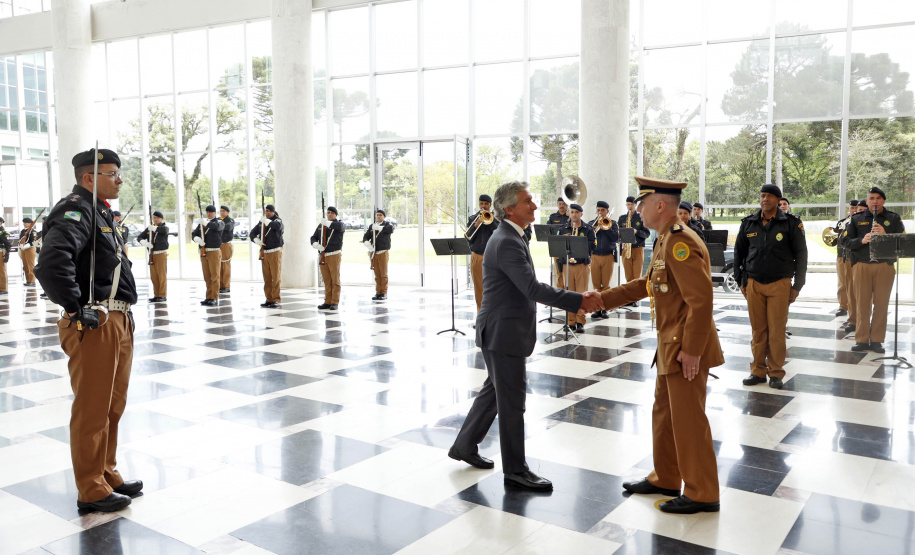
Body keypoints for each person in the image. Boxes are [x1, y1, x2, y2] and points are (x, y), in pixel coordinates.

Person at [448, 180, 603, 491]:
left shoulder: (512, 235)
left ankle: (464, 446)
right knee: (512, 401)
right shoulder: (505, 240)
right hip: (503, 333)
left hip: (500, 329)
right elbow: (532, 288)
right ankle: (516, 470)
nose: (534, 206)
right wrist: (578, 299)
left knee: (495, 391)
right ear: (510, 209)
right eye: (528, 202)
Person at [597, 176, 723, 514]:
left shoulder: (680, 243)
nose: (637, 211)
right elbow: (645, 284)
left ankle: (702, 492)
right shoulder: (664, 240)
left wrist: (693, 350)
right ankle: (666, 476)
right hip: (670, 344)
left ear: (660, 205)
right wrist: (600, 300)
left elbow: (701, 300)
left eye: (641, 204)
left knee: (688, 420)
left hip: (685, 347)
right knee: (665, 415)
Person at [34, 147, 141, 513]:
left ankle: (106, 471)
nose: (119, 179)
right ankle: (90, 488)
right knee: (92, 409)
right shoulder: (75, 210)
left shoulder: (99, 213)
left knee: (113, 405)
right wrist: (76, 308)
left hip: (118, 319)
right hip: (96, 323)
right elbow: (50, 263)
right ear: (89, 178)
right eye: (112, 173)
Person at [734, 184, 808, 389]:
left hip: (780, 284)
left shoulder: (791, 223)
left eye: (769, 196)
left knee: (776, 332)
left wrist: (797, 285)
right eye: (762, 196)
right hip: (754, 283)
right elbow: (739, 253)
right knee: (758, 331)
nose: (764, 199)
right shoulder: (749, 223)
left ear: (778, 199)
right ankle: (757, 371)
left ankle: (776, 373)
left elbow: (802, 255)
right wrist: (741, 280)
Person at [844, 187, 905, 353]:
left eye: (878, 198)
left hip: (884, 266)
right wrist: (862, 240)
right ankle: (861, 339)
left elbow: (903, 241)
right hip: (862, 265)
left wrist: (885, 235)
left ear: (883, 200)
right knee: (862, 304)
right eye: (871, 198)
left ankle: (877, 340)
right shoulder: (857, 219)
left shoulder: (893, 218)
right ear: (867, 200)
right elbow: (845, 241)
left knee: (881, 304)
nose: (875, 201)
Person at [559, 203, 595, 332]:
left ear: (581, 214)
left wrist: (579, 244)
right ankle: (570, 322)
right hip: (567, 265)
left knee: (581, 294)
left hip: (581, 265)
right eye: (572, 212)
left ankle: (580, 321)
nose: (574, 214)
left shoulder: (588, 229)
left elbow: (593, 246)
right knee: (569, 294)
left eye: (576, 212)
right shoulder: (563, 229)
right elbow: (558, 246)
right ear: (569, 213)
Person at [466, 194, 499, 311]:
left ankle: (492, 316)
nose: (483, 206)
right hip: (477, 256)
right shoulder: (472, 218)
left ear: (490, 205)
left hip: (492, 258)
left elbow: (498, 233)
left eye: (486, 204)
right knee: (479, 287)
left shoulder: (495, 219)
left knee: (493, 287)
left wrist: (489, 221)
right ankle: (481, 316)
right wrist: (477, 224)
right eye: (481, 204)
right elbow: (468, 237)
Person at [618, 196, 651, 308]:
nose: (630, 206)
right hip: (626, 248)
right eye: (628, 204)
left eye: (632, 204)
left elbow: (647, 233)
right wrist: (621, 240)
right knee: (628, 275)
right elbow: (619, 233)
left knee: (637, 275)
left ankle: (635, 298)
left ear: (635, 205)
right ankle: (629, 298)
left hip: (637, 248)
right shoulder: (622, 218)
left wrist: (636, 231)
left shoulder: (641, 217)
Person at [588, 200, 619, 319]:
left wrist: (607, 228)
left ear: (607, 211)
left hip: (608, 256)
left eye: (602, 210)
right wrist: (596, 228)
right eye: (598, 210)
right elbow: (589, 239)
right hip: (595, 256)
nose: (600, 212)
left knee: (606, 285)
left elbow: (615, 239)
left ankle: (605, 309)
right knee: (596, 285)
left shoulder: (613, 223)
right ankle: (597, 309)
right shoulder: (591, 223)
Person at [250, 204, 285, 308]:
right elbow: (252, 233)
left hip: (275, 251)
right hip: (265, 251)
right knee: (267, 277)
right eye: (266, 210)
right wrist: (256, 240)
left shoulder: (277, 220)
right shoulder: (262, 221)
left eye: (269, 211)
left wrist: (267, 222)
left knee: (276, 276)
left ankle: (276, 299)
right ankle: (269, 299)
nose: (267, 212)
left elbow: (278, 227)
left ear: (273, 212)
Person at [310, 205, 344, 310]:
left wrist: (327, 223)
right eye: (328, 212)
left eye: (332, 213)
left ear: (336, 215)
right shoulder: (322, 225)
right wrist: (315, 244)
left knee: (335, 279)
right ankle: (327, 301)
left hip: (334, 254)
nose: (329, 214)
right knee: (327, 280)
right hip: (323, 255)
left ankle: (335, 302)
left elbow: (340, 228)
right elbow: (313, 237)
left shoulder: (339, 224)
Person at [191, 205, 225, 307]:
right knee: (207, 276)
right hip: (204, 251)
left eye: (211, 212)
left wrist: (206, 223)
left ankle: (214, 297)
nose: (209, 213)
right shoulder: (202, 224)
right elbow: (194, 234)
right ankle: (208, 296)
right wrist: (197, 239)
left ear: (215, 213)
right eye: (207, 212)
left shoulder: (219, 222)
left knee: (215, 275)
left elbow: (217, 227)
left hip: (214, 251)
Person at [842, 200, 867, 334]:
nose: (859, 212)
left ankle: (864, 321)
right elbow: (843, 239)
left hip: (865, 261)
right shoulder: (851, 222)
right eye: (858, 210)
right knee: (851, 292)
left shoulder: (871, 223)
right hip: (850, 259)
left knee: (864, 294)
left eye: (863, 210)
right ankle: (853, 320)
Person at [138, 211, 169, 303]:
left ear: (161, 219)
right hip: (152, 254)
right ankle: (157, 295)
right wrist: (145, 243)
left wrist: (154, 228)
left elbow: (164, 231)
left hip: (161, 254)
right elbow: (139, 237)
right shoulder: (150, 228)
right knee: (154, 276)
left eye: (157, 218)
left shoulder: (164, 227)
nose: (155, 219)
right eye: (154, 217)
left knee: (161, 276)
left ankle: (162, 295)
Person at [363, 208, 394, 301]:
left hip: (382, 252)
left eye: (380, 215)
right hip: (374, 252)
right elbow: (366, 236)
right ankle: (378, 292)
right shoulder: (372, 226)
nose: (378, 216)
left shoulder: (387, 225)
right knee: (377, 274)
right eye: (377, 215)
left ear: (384, 216)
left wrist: (380, 228)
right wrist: (366, 243)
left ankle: (384, 292)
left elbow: (390, 229)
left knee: (383, 273)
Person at [834, 199, 857, 318]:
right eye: (852, 208)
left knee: (856, 283)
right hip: (842, 255)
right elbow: (835, 237)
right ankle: (843, 306)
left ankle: (856, 307)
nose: (854, 210)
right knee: (842, 282)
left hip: (856, 256)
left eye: (856, 208)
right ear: (849, 208)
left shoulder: (861, 222)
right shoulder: (842, 222)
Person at [548, 197, 571, 289]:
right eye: (560, 204)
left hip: (569, 248)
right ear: (557, 205)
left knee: (568, 272)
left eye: (563, 204)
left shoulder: (570, 216)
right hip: (557, 248)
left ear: (566, 205)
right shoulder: (552, 217)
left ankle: (568, 291)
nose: (561, 206)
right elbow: (548, 231)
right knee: (559, 272)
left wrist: (570, 216)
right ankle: (560, 292)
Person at [215, 206, 235, 294]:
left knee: (225, 266)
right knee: (217, 266)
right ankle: (219, 285)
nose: (221, 212)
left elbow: (228, 227)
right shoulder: (218, 219)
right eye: (220, 211)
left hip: (226, 244)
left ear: (228, 212)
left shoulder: (230, 220)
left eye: (223, 211)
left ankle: (226, 286)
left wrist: (219, 225)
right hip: (217, 245)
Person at [18, 217, 39, 286]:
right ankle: (28, 280)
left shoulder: (33, 231)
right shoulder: (23, 231)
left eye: (26, 222)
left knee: (30, 265)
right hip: (23, 249)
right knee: (26, 265)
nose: (24, 224)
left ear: (30, 223)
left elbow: (34, 241)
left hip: (30, 248)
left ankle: (32, 281)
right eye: (24, 222)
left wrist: (27, 245)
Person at [0, 216, 9, 294]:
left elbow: (7, 243)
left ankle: (3, 288)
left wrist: (7, 253)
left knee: (2, 270)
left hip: (0, 251)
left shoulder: (2, 231)